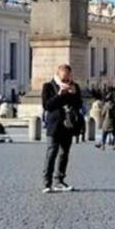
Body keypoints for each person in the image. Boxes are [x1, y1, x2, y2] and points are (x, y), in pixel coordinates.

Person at [41, 63, 83, 193]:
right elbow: (47, 106)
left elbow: (79, 105)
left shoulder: (75, 87)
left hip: (68, 124)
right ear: (58, 75)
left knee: (64, 153)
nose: (66, 80)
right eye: (64, 78)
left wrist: (73, 94)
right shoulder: (48, 86)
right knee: (51, 153)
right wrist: (60, 94)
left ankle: (59, 180)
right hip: (54, 125)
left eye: (68, 78)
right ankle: (47, 183)